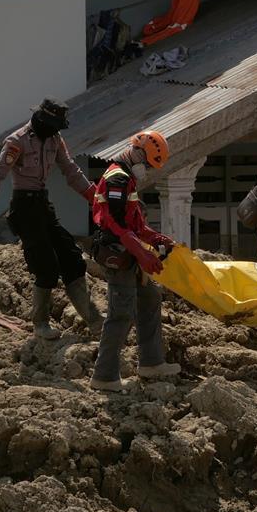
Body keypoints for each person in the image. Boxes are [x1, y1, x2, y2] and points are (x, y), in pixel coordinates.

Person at [0, 97, 103, 339]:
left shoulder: (55, 140)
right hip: (24, 208)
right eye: (52, 126)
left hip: (43, 204)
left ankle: (94, 320)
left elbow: (71, 171)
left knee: (72, 258)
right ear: (41, 119)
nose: (54, 131)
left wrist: (97, 200)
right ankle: (40, 323)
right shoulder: (17, 141)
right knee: (46, 266)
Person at [89, 130, 181, 391]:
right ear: (138, 154)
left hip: (128, 251)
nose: (148, 170)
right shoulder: (117, 179)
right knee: (121, 313)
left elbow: (136, 225)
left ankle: (151, 362)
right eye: (149, 164)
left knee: (150, 298)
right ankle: (104, 377)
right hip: (117, 253)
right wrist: (143, 254)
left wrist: (158, 240)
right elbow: (117, 226)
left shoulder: (127, 179)